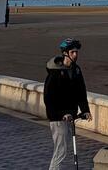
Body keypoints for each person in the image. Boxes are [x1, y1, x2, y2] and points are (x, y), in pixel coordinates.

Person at [43, 38, 91, 170]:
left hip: (70, 115)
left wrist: (85, 110)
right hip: (58, 117)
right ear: (65, 53)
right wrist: (62, 114)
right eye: (73, 52)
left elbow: (81, 91)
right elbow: (49, 98)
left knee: (63, 148)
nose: (76, 55)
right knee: (61, 150)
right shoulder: (55, 72)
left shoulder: (76, 70)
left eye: (77, 52)